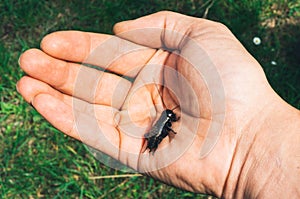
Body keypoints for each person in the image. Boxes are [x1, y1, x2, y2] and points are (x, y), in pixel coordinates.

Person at [17, 11, 300, 198]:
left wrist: (252, 144)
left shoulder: (168, 119)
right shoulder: (165, 122)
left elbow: (167, 124)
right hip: (155, 132)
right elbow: (166, 125)